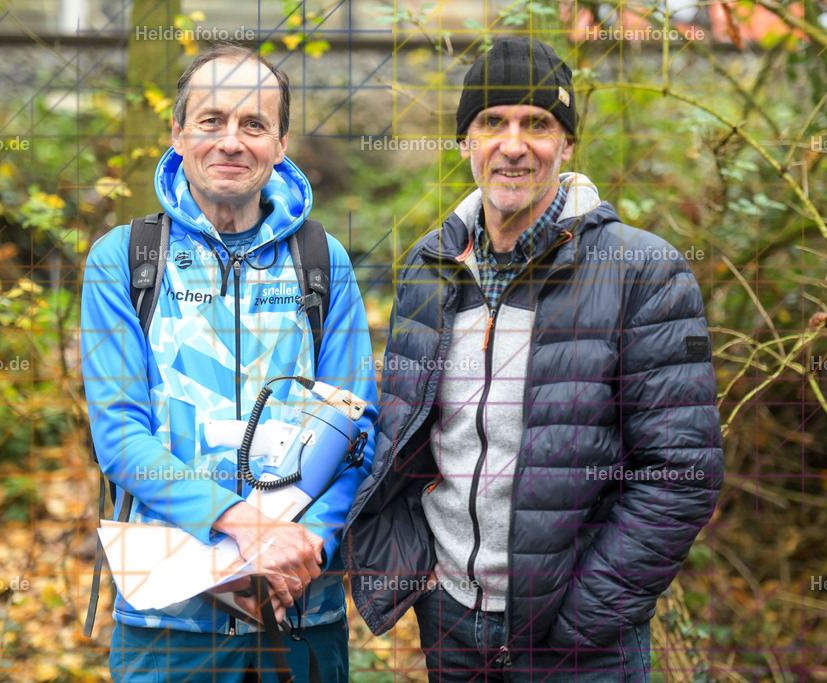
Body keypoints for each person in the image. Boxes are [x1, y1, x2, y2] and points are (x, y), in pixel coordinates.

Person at [342, 36, 723, 681]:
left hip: (577, 641)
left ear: (566, 144)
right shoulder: (431, 269)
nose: (513, 145)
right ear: (466, 142)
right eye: (492, 122)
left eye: (537, 124)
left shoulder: (642, 271)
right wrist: (419, 580)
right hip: (451, 622)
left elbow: (681, 473)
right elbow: (409, 441)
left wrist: (584, 617)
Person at [81, 43, 377, 682]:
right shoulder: (125, 259)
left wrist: (306, 549)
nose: (230, 141)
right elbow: (120, 435)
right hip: (169, 612)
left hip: (300, 608)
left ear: (280, 141)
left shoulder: (322, 262)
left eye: (254, 124)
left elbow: (357, 427)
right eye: (211, 120)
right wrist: (246, 527)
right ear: (178, 132)